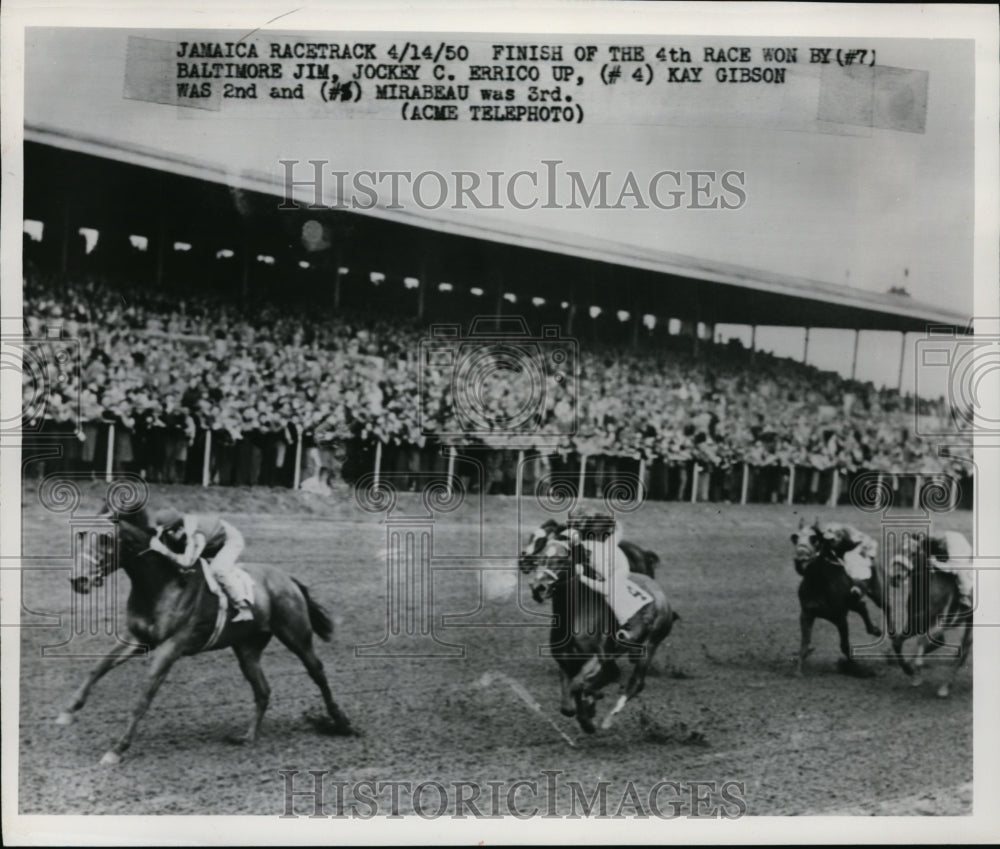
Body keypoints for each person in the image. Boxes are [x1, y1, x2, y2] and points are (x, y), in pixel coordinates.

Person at [150, 507, 253, 621]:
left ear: (180, 529)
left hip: (229, 540)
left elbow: (187, 563)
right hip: (209, 539)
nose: (167, 536)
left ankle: (244, 607)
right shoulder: (174, 529)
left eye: (168, 533)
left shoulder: (196, 536)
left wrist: (165, 551)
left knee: (217, 570)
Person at [566, 512, 639, 643]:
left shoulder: (598, 557)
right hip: (605, 560)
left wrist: (582, 578)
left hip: (618, 570)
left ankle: (626, 625)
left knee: (609, 594)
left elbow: (605, 586)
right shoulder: (589, 545)